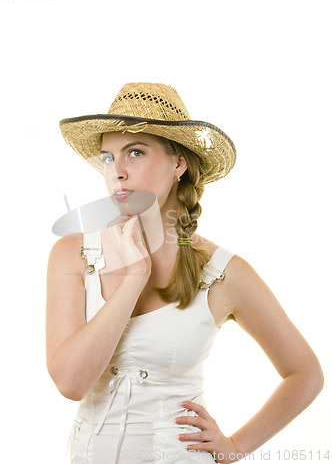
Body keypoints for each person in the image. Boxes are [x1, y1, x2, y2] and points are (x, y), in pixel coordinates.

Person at [46, 82, 324, 464]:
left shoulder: (224, 273)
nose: (118, 173)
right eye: (109, 157)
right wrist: (133, 279)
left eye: (136, 152)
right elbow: (70, 383)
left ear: (178, 163)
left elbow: (305, 374)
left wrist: (233, 447)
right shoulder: (72, 255)